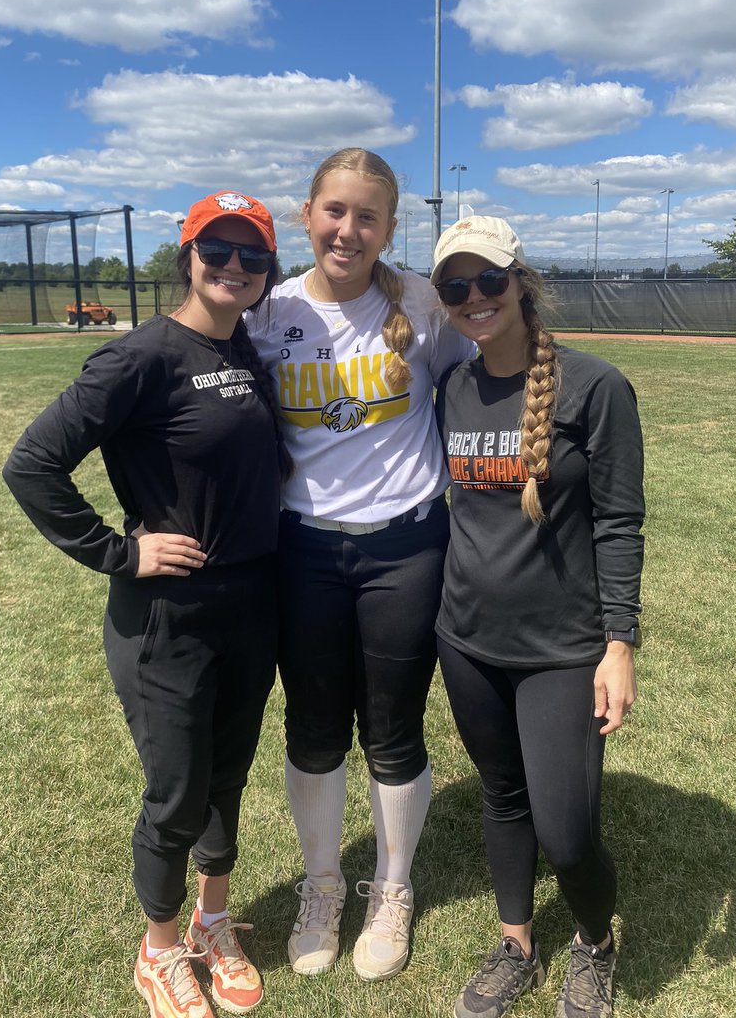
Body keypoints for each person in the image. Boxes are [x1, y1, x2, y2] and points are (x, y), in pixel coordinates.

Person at [3, 191, 290, 1018]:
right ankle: (159, 951)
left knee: (228, 776)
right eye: (218, 250)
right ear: (187, 254)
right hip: (169, 618)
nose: (234, 267)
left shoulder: (248, 355)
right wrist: (122, 552)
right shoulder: (140, 358)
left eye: (253, 255)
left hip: (251, 603)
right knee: (177, 790)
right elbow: (33, 465)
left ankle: (212, 921)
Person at [247, 147, 473, 983]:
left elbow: (482, 381)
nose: (349, 229)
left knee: (393, 728)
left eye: (368, 215)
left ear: (389, 225)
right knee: (311, 728)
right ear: (307, 214)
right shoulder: (268, 313)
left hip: (406, 546)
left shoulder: (422, 301)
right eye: (335, 211)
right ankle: (322, 884)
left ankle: (392, 889)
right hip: (302, 546)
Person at [430, 214, 645, 1018]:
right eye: (456, 286)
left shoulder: (596, 387)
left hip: (562, 649)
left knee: (567, 831)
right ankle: (516, 941)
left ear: (522, 282)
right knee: (502, 795)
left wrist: (618, 643)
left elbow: (620, 523)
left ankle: (594, 942)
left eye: (489, 280)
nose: (475, 298)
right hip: (467, 640)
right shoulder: (452, 385)